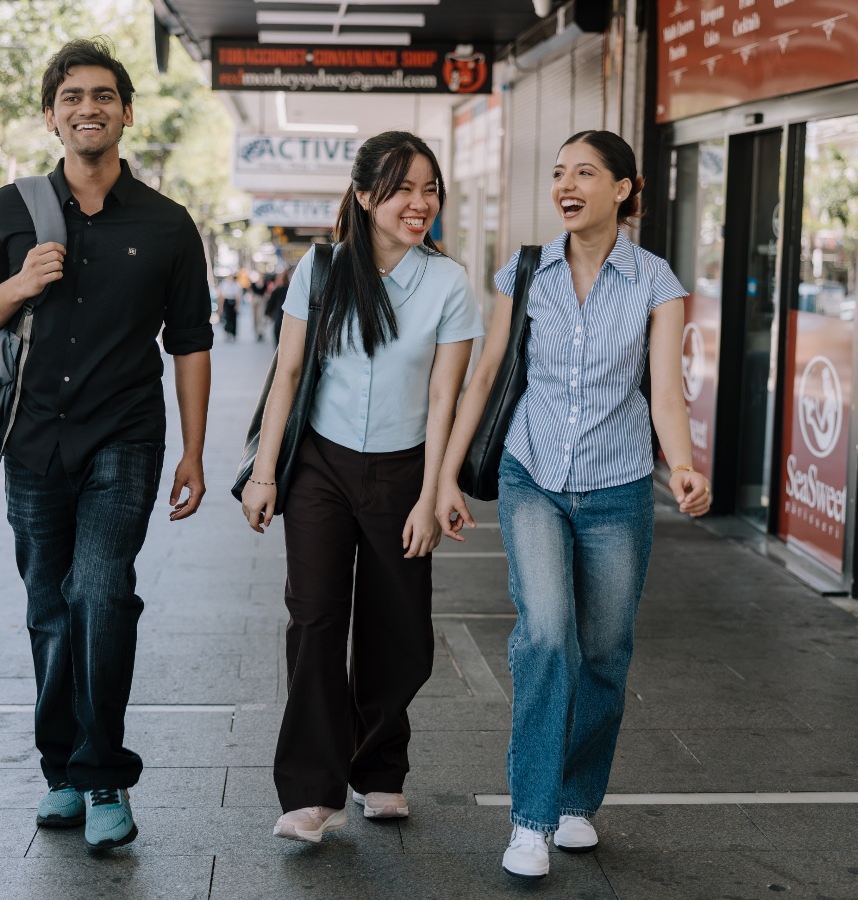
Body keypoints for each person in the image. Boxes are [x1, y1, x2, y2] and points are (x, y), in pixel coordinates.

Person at [0, 37, 213, 853]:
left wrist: (195, 453)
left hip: (125, 439)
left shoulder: (168, 225)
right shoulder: (10, 210)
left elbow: (193, 342)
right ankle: (61, 769)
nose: (88, 108)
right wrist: (20, 283)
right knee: (49, 609)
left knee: (99, 592)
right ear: (50, 115)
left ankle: (103, 775)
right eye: (72, 97)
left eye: (103, 95)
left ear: (126, 113)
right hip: (32, 442)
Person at [434, 131, 712, 879]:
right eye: (559, 173)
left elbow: (664, 391)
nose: (567, 184)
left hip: (618, 486)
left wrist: (682, 467)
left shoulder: (657, 283)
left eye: (585, 172)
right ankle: (529, 820)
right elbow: (487, 372)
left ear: (623, 189)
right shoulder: (526, 273)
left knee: (604, 650)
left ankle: (575, 802)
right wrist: (447, 477)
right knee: (547, 635)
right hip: (533, 475)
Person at [240, 131, 485, 844]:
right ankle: (311, 792)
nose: (420, 202)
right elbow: (286, 375)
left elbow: (445, 398)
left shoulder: (448, 282)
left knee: (398, 631)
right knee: (315, 618)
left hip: (404, 470)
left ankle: (380, 765)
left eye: (430, 188)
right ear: (364, 193)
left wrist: (434, 491)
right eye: (404, 188)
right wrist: (265, 476)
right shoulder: (320, 271)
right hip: (319, 466)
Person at [263, 268, 289, 346]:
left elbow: (271, 303)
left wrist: (267, 314)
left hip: (279, 314)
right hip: (287, 314)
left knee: (278, 333)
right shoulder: (289, 289)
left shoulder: (277, 290)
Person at [217, 274, 242, 341]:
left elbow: (238, 296)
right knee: (227, 317)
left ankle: (233, 333)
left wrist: (237, 305)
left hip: (233, 301)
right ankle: (227, 331)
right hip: (226, 301)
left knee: (233, 318)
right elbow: (221, 295)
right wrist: (220, 307)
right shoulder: (224, 284)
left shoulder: (236, 284)